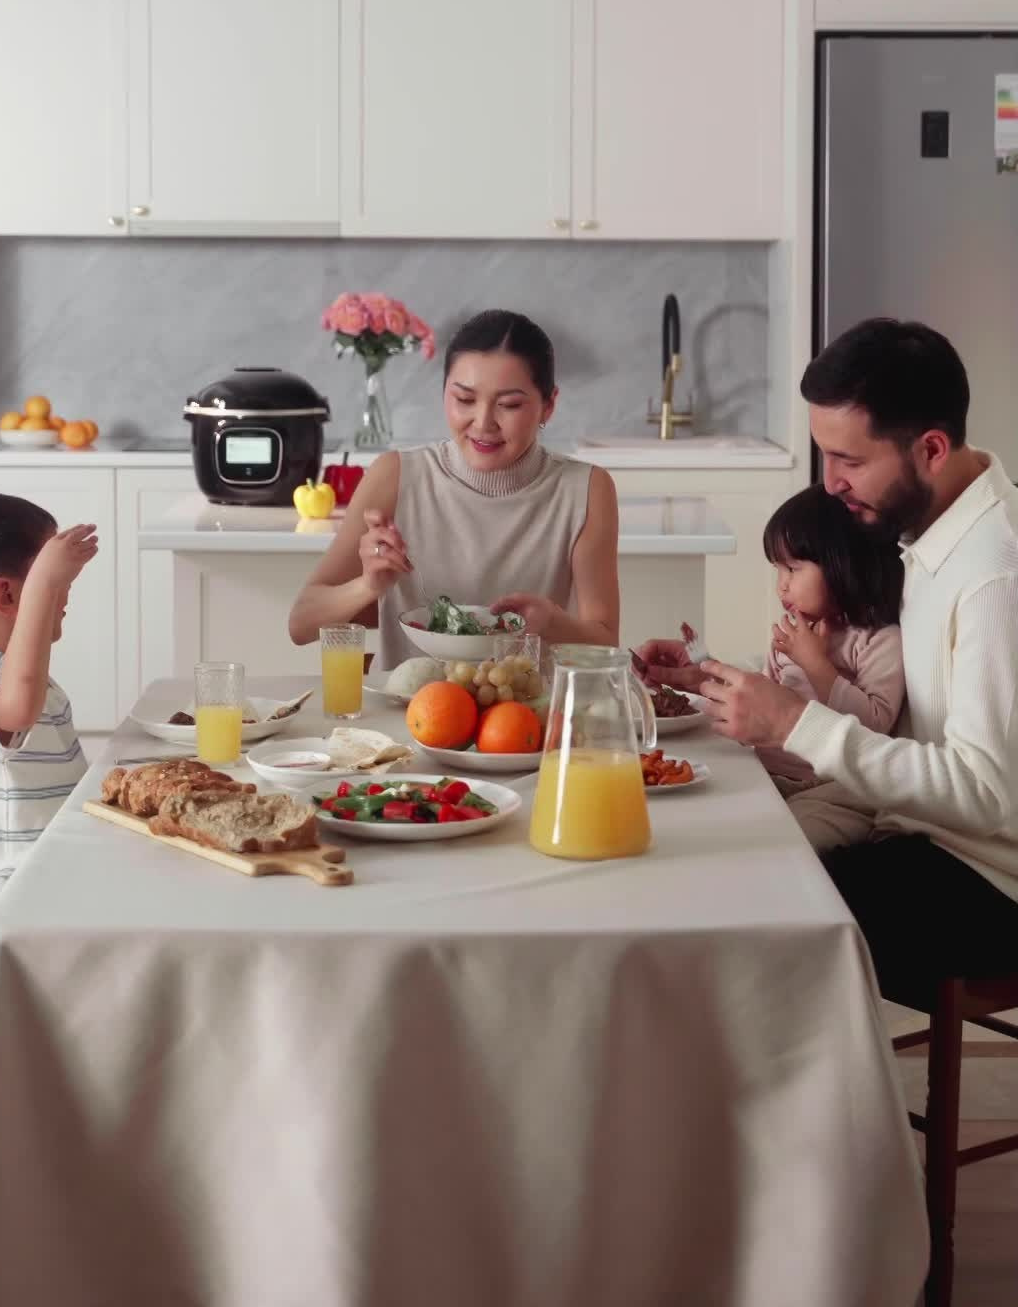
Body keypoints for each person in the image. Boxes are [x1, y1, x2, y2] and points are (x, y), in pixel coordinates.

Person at [696, 318, 1018, 1007]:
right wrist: (708, 676)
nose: (831, 483)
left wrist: (797, 724)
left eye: (850, 460)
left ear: (930, 448)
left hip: (988, 881)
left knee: (745, 906)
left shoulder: (994, 575)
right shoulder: (929, 535)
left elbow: (984, 795)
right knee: (721, 853)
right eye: (823, 455)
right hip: (918, 834)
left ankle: (814, 1115)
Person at [288, 309, 620, 669]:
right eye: (464, 399)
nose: (483, 423)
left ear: (549, 406)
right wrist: (368, 586)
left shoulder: (585, 490)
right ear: (444, 392)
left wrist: (552, 623)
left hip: (525, 718)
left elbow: (605, 642)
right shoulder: (395, 476)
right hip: (410, 716)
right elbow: (301, 624)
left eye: (509, 405)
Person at [0, 492, 96, 960]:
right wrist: (46, 586)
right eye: (56, 582)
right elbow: (19, 705)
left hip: (12, 909)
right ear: (8, 596)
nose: (66, 595)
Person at [753, 482, 906, 794]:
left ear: (842, 564)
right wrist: (701, 666)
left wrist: (815, 664)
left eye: (792, 569)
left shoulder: (877, 640)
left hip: (832, 789)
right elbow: (762, 699)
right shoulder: (793, 633)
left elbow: (874, 728)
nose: (781, 586)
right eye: (777, 570)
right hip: (765, 774)